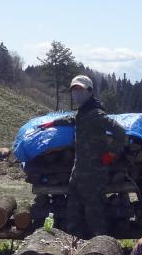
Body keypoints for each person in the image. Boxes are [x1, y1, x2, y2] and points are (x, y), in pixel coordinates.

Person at [38, 74, 127, 239]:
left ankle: (100, 249)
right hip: (78, 172)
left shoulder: (96, 114)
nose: (76, 94)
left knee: (95, 216)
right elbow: (72, 118)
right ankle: (73, 250)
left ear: (89, 91)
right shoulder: (82, 113)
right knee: (73, 213)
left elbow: (121, 133)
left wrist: (110, 155)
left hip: (94, 174)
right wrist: (54, 123)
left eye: (80, 90)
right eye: (74, 90)